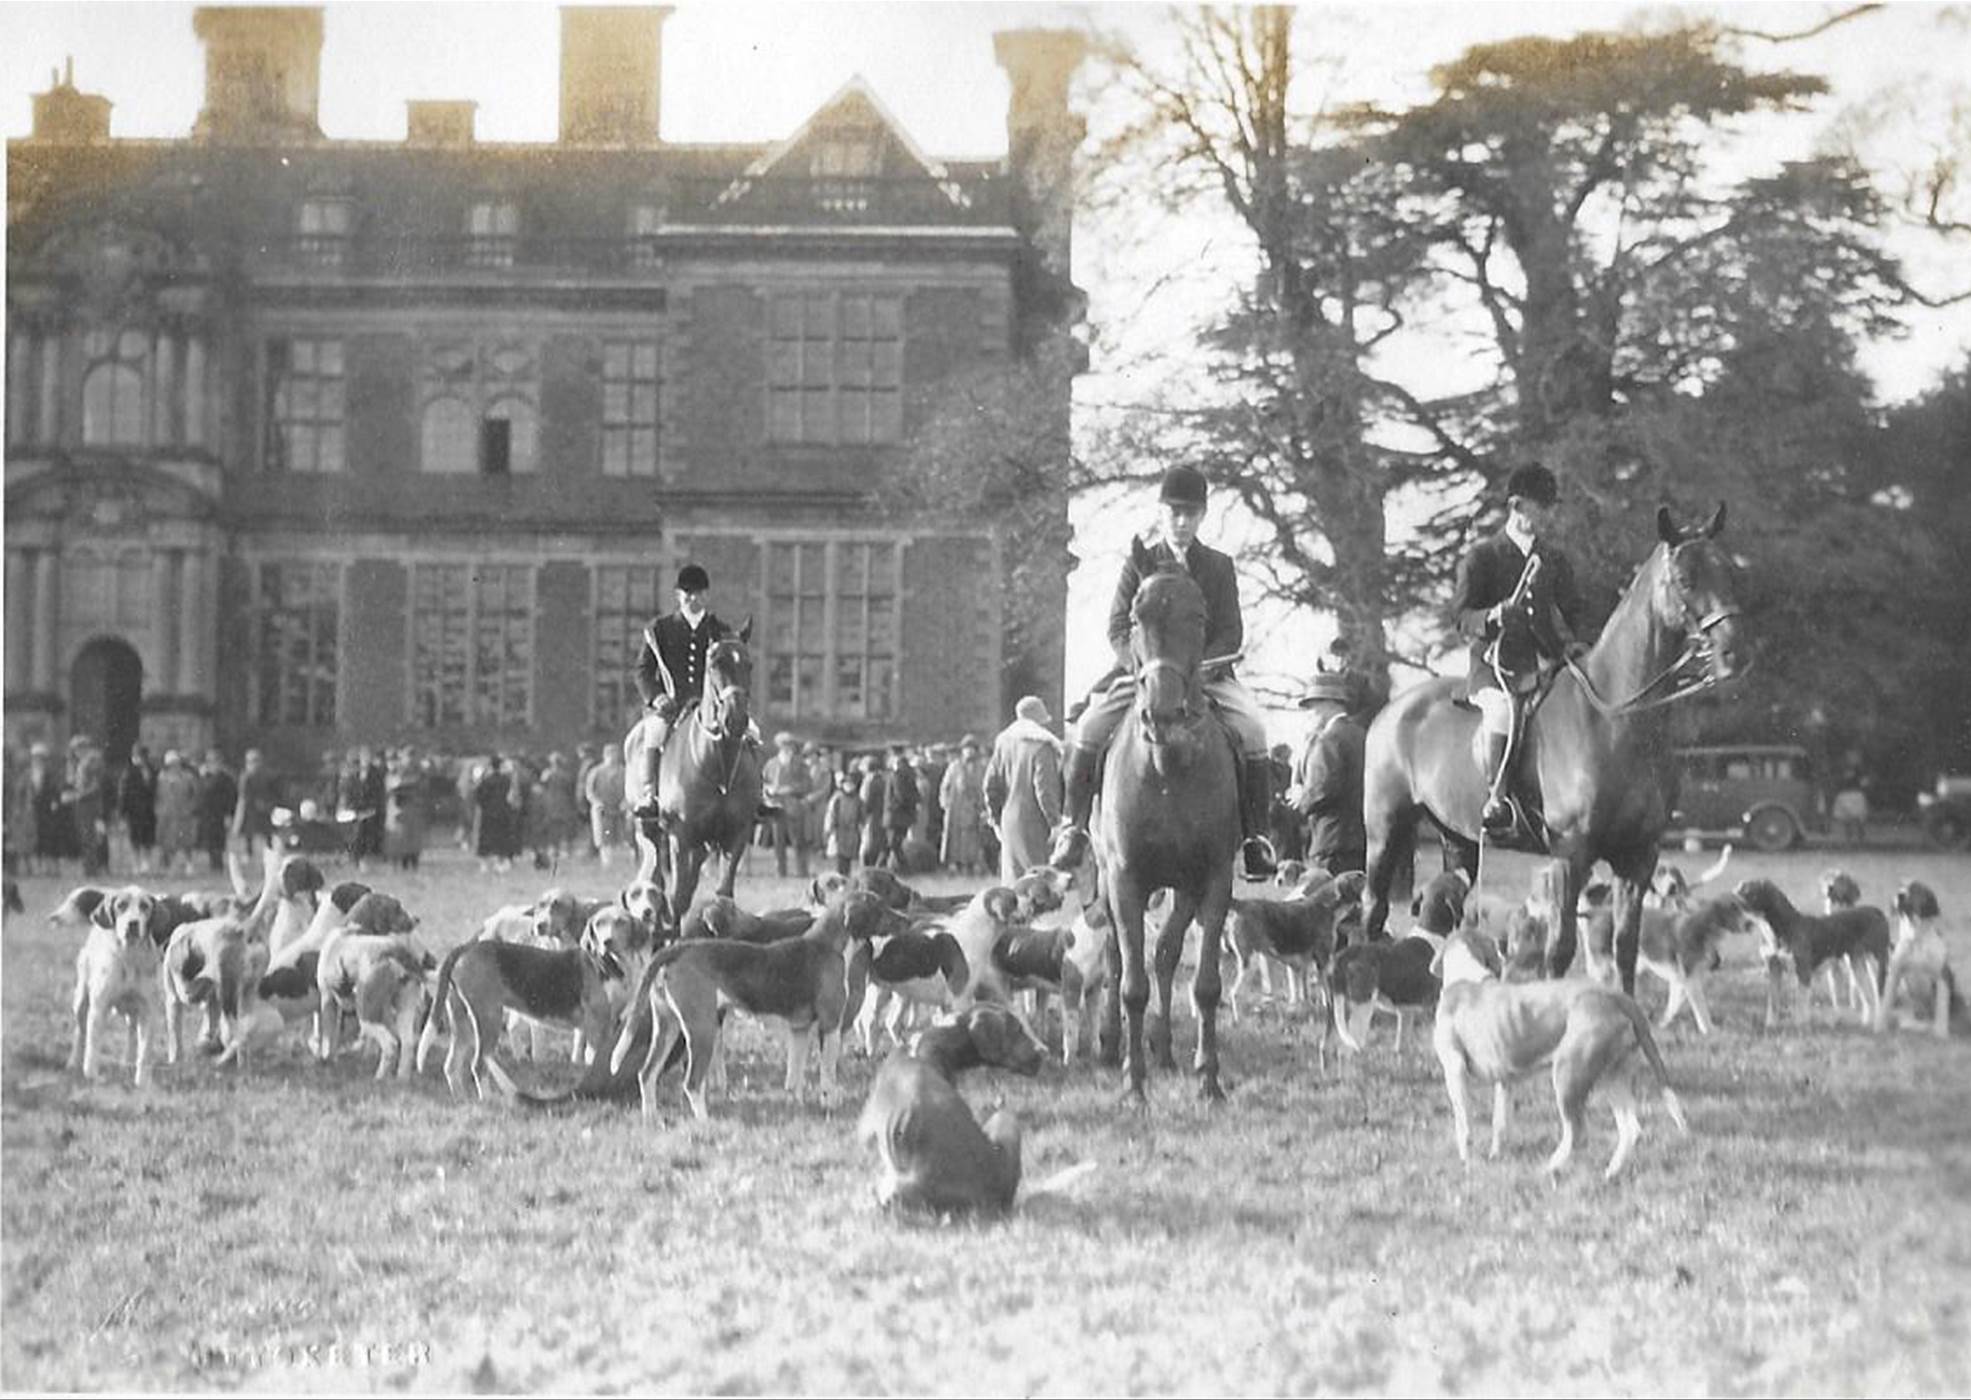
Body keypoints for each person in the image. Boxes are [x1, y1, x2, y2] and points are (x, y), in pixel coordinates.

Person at [1049, 465, 1280, 878]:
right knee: (1087, 727)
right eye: (1174, 511)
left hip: (1206, 676)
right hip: (1146, 674)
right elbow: (1118, 627)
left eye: (1190, 513)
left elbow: (1231, 631)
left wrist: (1201, 668)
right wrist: (1143, 668)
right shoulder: (1138, 563)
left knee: (1254, 730)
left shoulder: (1219, 566)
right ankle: (1073, 827)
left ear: (1202, 516)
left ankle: (1255, 839)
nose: (1181, 521)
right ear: (1161, 512)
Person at [1450, 461, 1589, 836]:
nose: (1547, 516)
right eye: (1541, 508)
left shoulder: (1553, 559)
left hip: (1542, 662)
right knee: (1502, 715)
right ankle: (1498, 799)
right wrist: (1492, 615)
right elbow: (1461, 616)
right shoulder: (1483, 556)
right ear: (1517, 506)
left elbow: (1574, 609)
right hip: (1494, 666)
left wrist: (1573, 643)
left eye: (1549, 508)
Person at [629, 563, 775, 822]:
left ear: (706, 595)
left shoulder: (721, 630)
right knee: (653, 732)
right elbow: (642, 671)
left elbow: (732, 667)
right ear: (678, 596)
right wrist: (656, 696)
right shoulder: (659, 630)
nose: (693, 598)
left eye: (698, 593)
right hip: (672, 707)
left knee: (752, 731)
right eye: (687, 593)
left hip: (712, 708)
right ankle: (649, 794)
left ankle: (759, 795)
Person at [1291, 671, 1368, 877]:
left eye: (1312, 706)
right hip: (1361, 841)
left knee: (1321, 906)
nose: (1309, 713)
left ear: (1329, 703)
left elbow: (1323, 789)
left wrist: (1301, 799)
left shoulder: (1328, 740)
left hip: (1331, 842)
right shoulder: (1362, 735)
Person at [985, 696, 1064, 885]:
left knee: (1012, 884)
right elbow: (1044, 790)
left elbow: (990, 785)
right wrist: (1055, 823)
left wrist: (995, 819)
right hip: (1033, 821)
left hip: (1008, 819)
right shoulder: (1042, 746)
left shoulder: (1003, 745)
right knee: (1037, 884)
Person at [762, 732, 814, 878]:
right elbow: (763, 783)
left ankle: (802, 873)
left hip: (793, 806)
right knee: (778, 843)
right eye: (784, 745)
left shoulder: (800, 764)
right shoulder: (771, 764)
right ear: (779, 746)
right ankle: (780, 873)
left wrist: (791, 788)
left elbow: (808, 784)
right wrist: (769, 790)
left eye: (790, 745)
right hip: (776, 807)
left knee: (798, 843)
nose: (787, 748)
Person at [939, 735, 988, 876]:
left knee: (972, 840)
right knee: (955, 840)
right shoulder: (954, 767)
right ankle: (955, 865)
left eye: (972, 749)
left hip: (973, 810)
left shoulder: (981, 768)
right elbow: (945, 787)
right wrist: (946, 803)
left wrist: (983, 808)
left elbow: (984, 789)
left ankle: (971, 865)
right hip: (956, 811)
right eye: (967, 748)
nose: (969, 752)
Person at [230, 748, 280, 888]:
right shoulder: (245, 776)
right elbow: (243, 796)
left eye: (256, 761)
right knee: (248, 832)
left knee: (267, 833)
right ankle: (249, 854)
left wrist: (268, 804)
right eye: (251, 761)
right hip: (250, 810)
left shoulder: (267, 776)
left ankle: (270, 855)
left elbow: (273, 793)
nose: (254, 764)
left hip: (265, 810)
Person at [585, 743, 628, 868]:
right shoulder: (596, 772)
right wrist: (596, 802)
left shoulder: (624, 771)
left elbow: (630, 788)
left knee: (620, 835)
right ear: (605, 756)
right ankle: (607, 863)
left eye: (616, 754)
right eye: (610, 754)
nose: (613, 757)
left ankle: (621, 863)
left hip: (619, 809)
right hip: (602, 810)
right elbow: (589, 791)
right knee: (604, 837)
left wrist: (625, 801)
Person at [196, 750, 237, 876]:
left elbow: (231, 797)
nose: (212, 764)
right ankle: (212, 864)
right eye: (209, 761)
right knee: (209, 840)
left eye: (214, 761)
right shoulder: (205, 777)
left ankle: (218, 864)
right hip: (207, 814)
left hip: (220, 814)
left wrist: (229, 814)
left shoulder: (226, 778)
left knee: (219, 840)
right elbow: (200, 793)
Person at [882, 747, 920, 872]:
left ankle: (902, 869)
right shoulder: (909, 772)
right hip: (905, 816)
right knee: (893, 845)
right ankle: (884, 867)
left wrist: (891, 807)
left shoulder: (898, 774)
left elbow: (900, 796)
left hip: (896, 815)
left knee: (892, 844)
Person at [823, 769, 864, 877]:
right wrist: (829, 829)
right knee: (840, 858)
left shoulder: (858, 800)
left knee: (848, 858)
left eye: (851, 784)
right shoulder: (837, 798)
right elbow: (831, 814)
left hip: (852, 832)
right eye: (847, 783)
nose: (849, 786)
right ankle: (840, 877)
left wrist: (861, 827)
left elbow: (862, 816)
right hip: (839, 831)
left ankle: (846, 876)